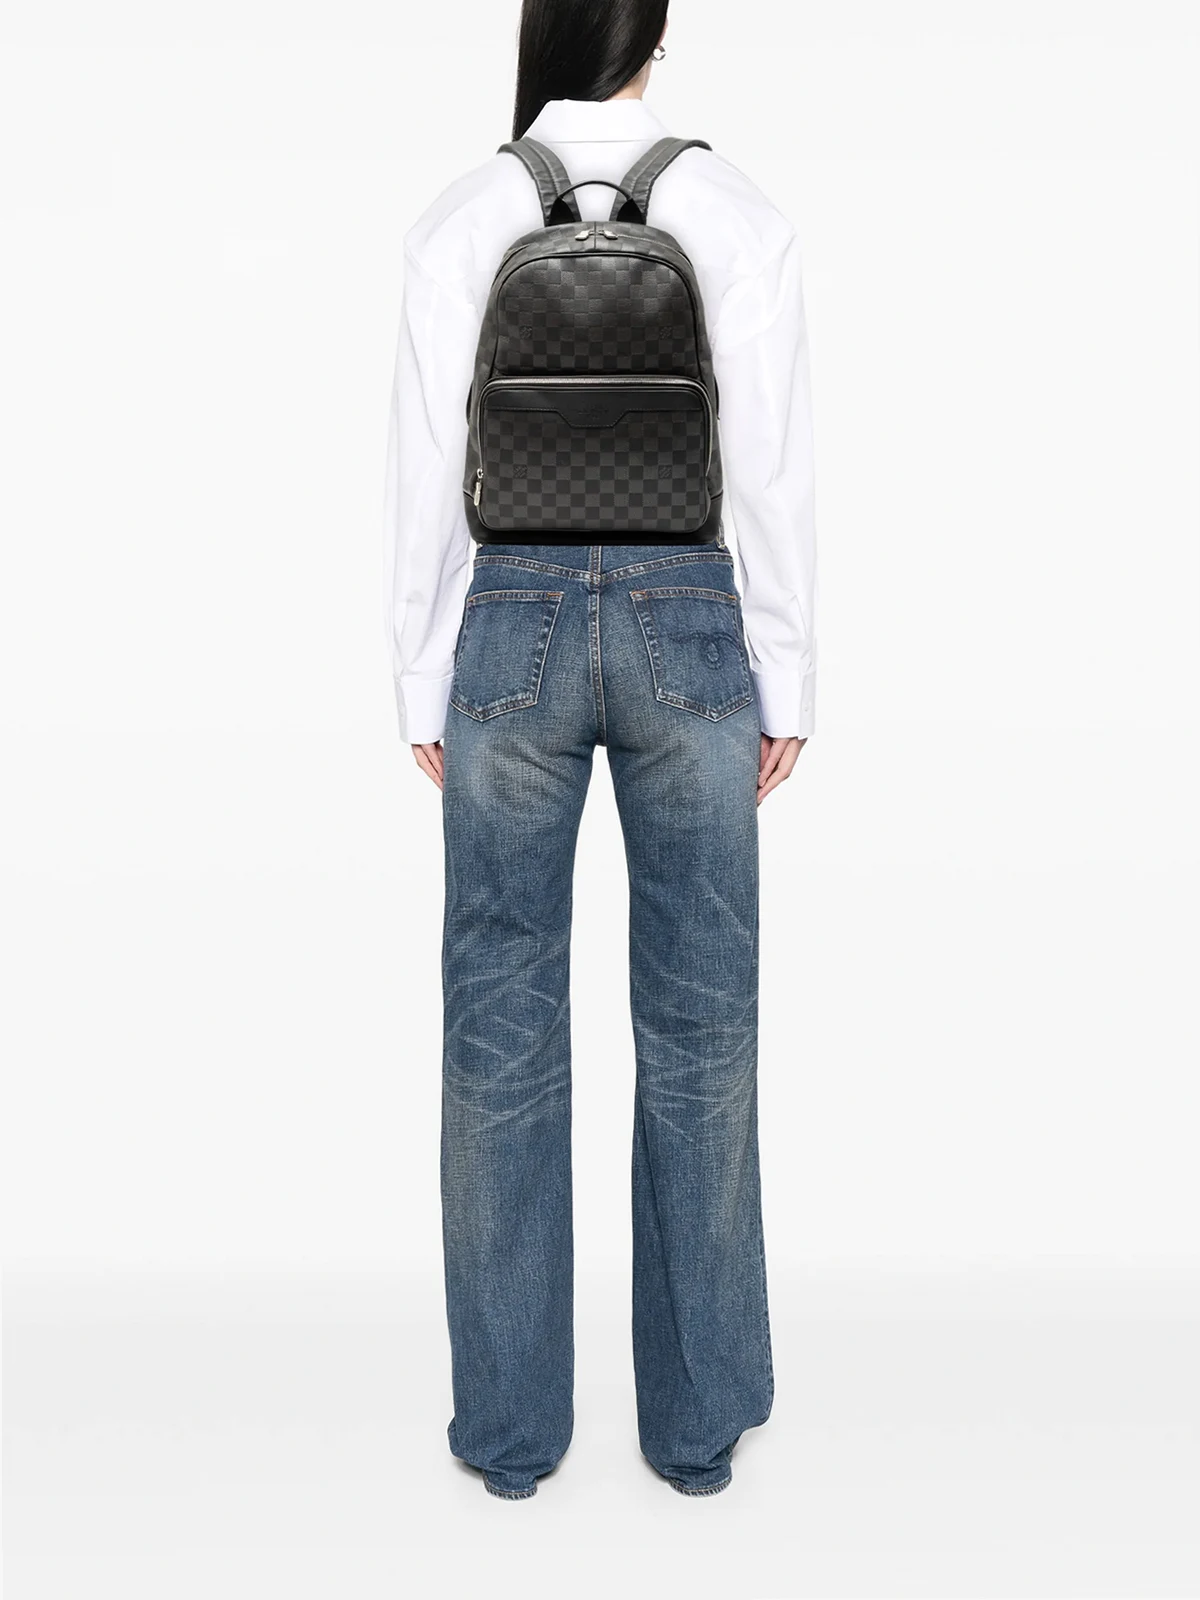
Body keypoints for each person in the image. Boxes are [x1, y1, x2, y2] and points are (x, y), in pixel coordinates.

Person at [383, 0, 817, 1501]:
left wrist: (423, 677)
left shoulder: (463, 215)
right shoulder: (736, 211)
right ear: (656, 40)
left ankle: (511, 1439)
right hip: (692, 620)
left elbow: (426, 465)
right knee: (702, 1027)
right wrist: (785, 669)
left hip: (506, 624)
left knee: (497, 1031)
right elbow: (767, 461)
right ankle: (696, 1432)